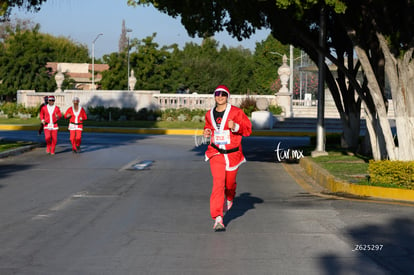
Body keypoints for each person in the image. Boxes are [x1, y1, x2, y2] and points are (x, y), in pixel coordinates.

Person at [203, 85, 252, 231]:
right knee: (218, 184)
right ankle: (218, 218)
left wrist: (235, 126)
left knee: (229, 185)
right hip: (215, 152)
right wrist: (206, 132)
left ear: (227, 96)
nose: (220, 96)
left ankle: (230, 197)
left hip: (233, 154)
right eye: (217, 94)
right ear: (214, 96)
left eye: (223, 94)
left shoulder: (236, 112)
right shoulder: (209, 114)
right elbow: (209, 127)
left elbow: (248, 130)